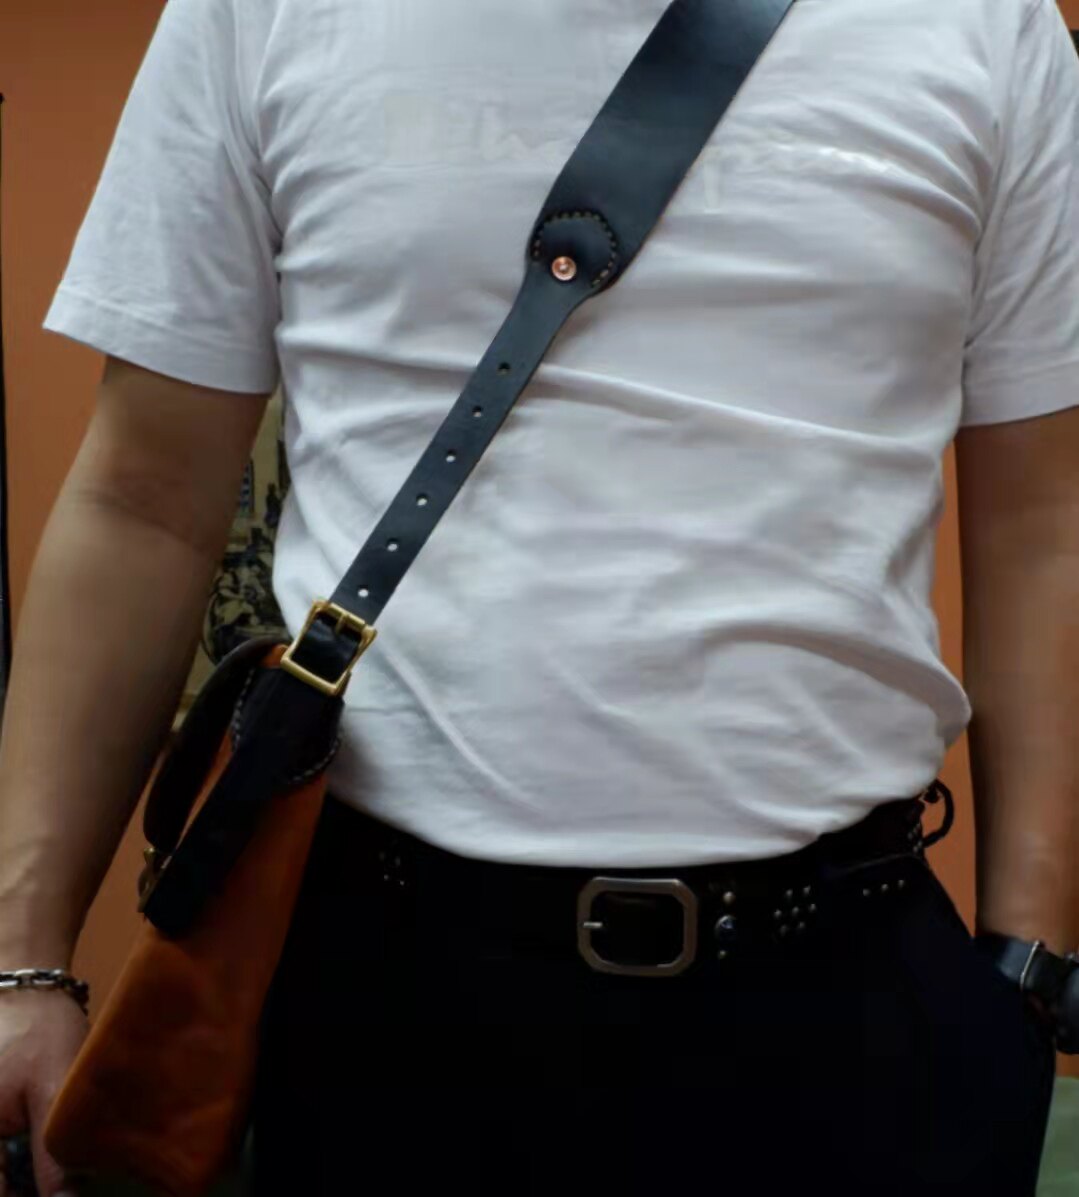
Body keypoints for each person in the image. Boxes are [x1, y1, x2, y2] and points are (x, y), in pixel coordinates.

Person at [1, 0, 1078, 1193]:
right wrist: (20, 963)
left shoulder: (986, 27)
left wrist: (1024, 976)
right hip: (380, 1002)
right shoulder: (256, 15)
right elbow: (143, 501)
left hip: (849, 1000)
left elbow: (1041, 530)